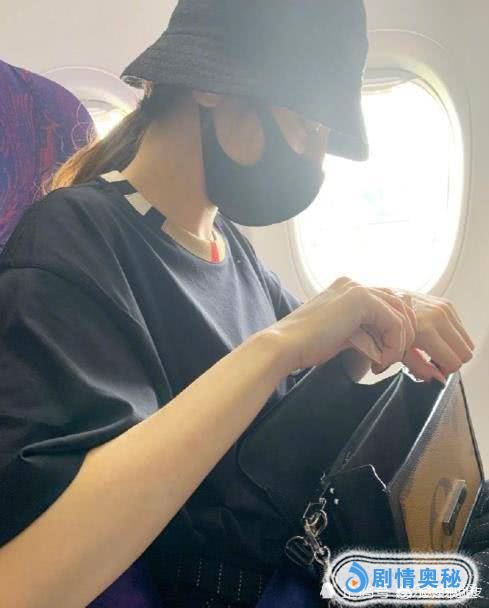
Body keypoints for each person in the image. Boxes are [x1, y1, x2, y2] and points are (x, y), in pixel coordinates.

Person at [0, 1, 476, 607]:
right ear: (210, 85)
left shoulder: (233, 251)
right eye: (306, 124)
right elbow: (25, 579)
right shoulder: (74, 237)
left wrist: (383, 320)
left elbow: (281, 427)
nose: (315, 161)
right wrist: (280, 346)